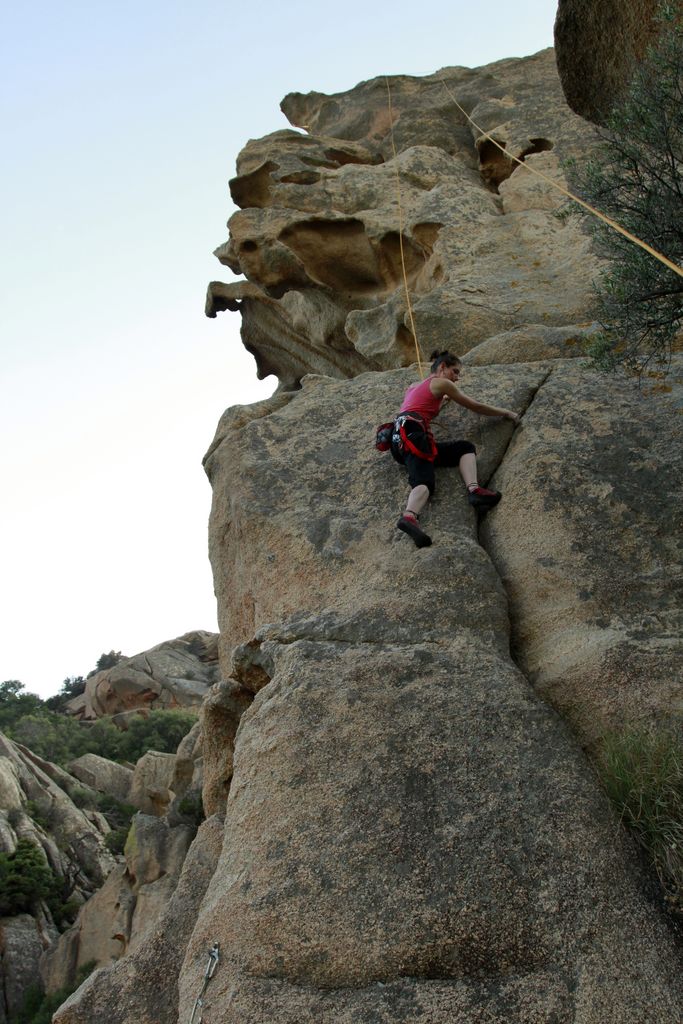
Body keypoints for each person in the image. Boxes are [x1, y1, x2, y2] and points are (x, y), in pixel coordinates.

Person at [391, 349, 520, 548]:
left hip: (399, 439)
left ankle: (474, 491)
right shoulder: (442, 383)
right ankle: (409, 517)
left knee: (463, 448)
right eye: (455, 371)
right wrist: (506, 412)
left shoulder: (414, 387)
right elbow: (474, 405)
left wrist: (441, 401)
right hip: (413, 434)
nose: (457, 378)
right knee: (424, 482)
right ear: (442, 367)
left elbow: (421, 408)